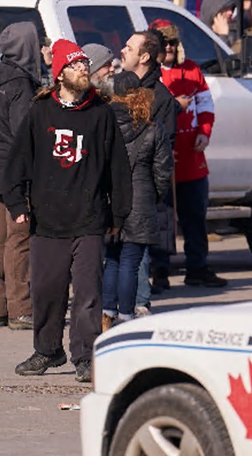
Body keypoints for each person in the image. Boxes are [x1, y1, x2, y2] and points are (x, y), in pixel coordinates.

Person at [4, 40, 132, 383]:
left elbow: (118, 168)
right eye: (75, 66)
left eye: (85, 66)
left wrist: (118, 214)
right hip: (47, 220)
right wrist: (17, 204)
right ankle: (48, 350)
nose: (83, 70)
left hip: (89, 219)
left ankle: (85, 355)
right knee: (46, 289)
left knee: (88, 293)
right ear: (59, 74)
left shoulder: (101, 114)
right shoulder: (39, 113)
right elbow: (16, 164)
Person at [151, 19, 226, 287]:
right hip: (164, 158)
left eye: (173, 42)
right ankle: (160, 269)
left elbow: (205, 103)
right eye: (164, 42)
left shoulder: (192, 70)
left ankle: (197, 266)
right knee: (163, 217)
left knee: (194, 216)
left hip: (192, 158)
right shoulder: (152, 74)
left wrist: (204, 131)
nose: (169, 47)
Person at [0, 21, 40, 331]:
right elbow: (24, 134)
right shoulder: (21, 85)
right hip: (17, 172)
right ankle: (21, 309)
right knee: (20, 240)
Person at [102, 73, 173, 329]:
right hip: (141, 200)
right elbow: (163, 171)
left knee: (111, 259)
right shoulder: (152, 128)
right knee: (131, 262)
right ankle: (127, 315)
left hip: (111, 200)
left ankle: (106, 312)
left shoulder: (104, 124)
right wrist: (155, 195)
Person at [119, 29, 177, 293]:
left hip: (141, 189)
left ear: (144, 57)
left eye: (129, 48)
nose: (123, 50)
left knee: (136, 256)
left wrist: (150, 189)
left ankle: (138, 304)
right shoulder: (117, 88)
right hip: (115, 185)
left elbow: (164, 151)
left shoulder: (161, 97)